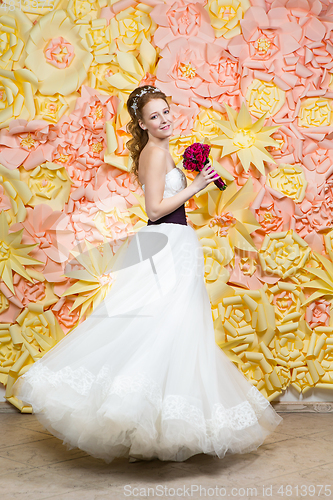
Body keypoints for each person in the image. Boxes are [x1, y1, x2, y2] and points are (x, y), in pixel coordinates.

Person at [12, 86, 283, 464]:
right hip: (165, 242)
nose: (163, 120)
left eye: (166, 112)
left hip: (176, 243)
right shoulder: (153, 154)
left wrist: (193, 178)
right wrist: (194, 187)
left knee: (176, 330)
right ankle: (140, 416)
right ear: (141, 123)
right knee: (161, 327)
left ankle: (160, 425)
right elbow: (155, 210)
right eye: (154, 116)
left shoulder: (162, 150)